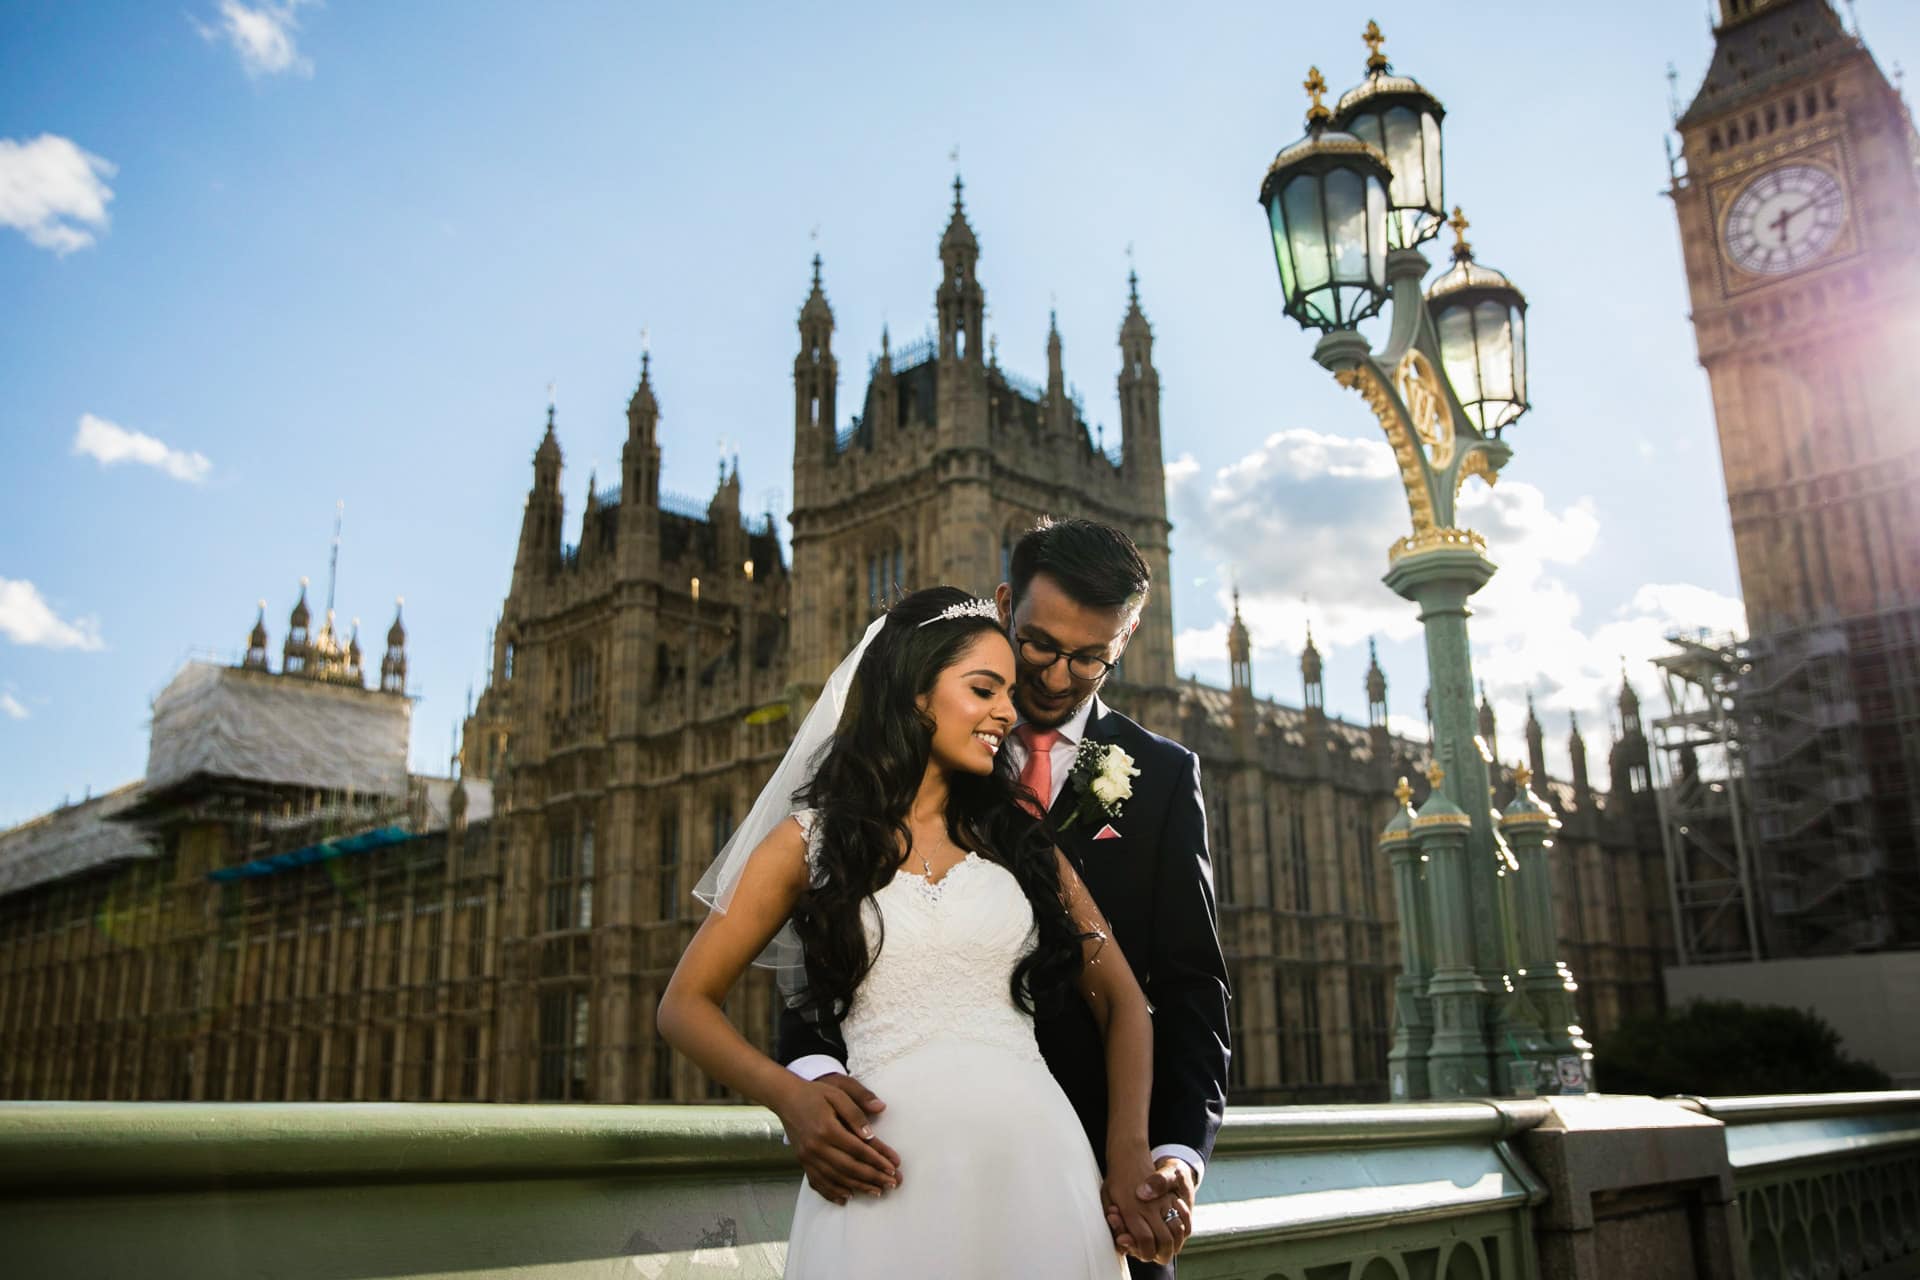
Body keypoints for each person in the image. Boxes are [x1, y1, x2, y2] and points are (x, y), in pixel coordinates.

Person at [658, 585, 1157, 1277]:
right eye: (984, 688)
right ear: (916, 692)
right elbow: (683, 1006)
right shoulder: (808, 842)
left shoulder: (1022, 843)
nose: (1008, 713)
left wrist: (1129, 1148)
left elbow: (1125, 1002)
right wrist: (791, 1097)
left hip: (1042, 1170)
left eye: (1008, 693)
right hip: (880, 1184)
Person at [779, 518, 1232, 1277]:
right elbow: (818, 943)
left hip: (1095, 1191)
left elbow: (1189, 990)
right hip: (896, 1166)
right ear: (1001, 606)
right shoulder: (919, 755)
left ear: (1125, 641)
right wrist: (811, 1085)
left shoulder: (1159, 776)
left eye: (1091, 659)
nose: (1057, 678)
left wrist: (1172, 1156)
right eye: (1040, 647)